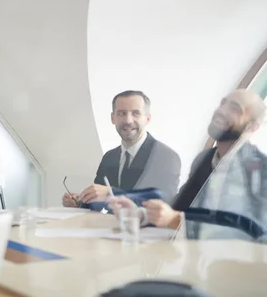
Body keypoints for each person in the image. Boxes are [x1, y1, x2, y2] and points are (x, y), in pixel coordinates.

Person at [110, 89, 267, 237]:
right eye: (223, 103)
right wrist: (142, 215)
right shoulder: (205, 159)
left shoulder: (260, 169)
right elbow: (181, 207)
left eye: (235, 108)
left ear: (252, 126)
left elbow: (254, 228)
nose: (221, 111)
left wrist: (176, 220)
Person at [63, 90, 181, 207]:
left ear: (147, 119)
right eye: (121, 113)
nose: (128, 121)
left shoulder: (166, 157)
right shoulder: (109, 157)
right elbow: (103, 207)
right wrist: (82, 202)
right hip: (106, 225)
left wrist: (111, 193)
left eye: (135, 113)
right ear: (112, 118)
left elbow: (163, 206)